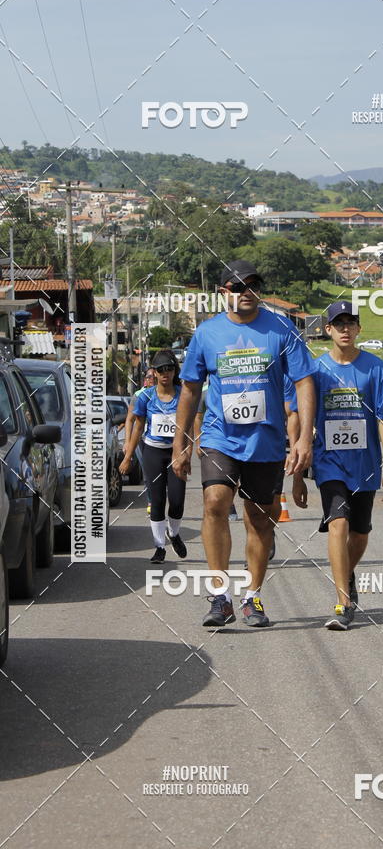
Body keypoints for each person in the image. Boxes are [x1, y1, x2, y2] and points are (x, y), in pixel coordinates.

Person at [172, 259, 315, 628]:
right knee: (215, 502)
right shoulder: (207, 334)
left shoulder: (282, 329)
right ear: (224, 292)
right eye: (238, 286)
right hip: (220, 436)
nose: (247, 292)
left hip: (265, 440)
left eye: (253, 285)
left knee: (259, 520)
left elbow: (304, 382)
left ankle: (252, 596)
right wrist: (180, 444)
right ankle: (220, 596)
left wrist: (303, 438)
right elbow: (189, 389)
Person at [291, 301, 383, 630]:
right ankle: (343, 603)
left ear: (358, 328)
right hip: (330, 463)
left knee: (360, 534)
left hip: (364, 464)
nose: (345, 329)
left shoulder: (374, 367)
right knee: (338, 523)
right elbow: (301, 419)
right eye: (338, 324)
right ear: (327, 329)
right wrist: (298, 475)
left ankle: (346, 574)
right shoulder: (316, 371)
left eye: (351, 323)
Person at [119, 350, 190, 563]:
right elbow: (138, 428)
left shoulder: (183, 395)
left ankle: (173, 533)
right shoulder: (146, 397)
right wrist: (128, 456)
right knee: (157, 500)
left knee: (177, 500)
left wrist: (186, 452)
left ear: (174, 371)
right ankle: (159, 547)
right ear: (155, 373)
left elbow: (188, 427)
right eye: (160, 370)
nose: (165, 373)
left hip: (175, 452)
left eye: (169, 369)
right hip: (153, 452)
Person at [124, 367, 156, 513]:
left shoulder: (166, 393)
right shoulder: (138, 396)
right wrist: (127, 441)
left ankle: (158, 499)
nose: (152, 379)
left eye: (154, 377)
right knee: (148, 471)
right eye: (149, 377)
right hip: (142, 439)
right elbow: (129, 420)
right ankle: (151, 501)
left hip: (162, 439)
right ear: (145, 380)